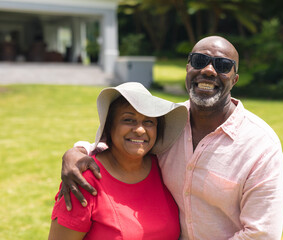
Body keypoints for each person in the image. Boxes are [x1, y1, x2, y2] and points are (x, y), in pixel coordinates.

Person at [60, 36, 283, 239]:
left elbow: (261, 235)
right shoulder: (167, 121)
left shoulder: (260, 145)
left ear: (235, 79)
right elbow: (125, 142)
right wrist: (76, 152)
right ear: (188, 68)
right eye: (199, 61)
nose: (208, 70)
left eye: (223, 65)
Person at [48, 82, 188, 240]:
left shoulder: (164, 167)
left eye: (149, 122)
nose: (140, 130)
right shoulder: (83, 180)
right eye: (128, 120)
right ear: (109, 127)